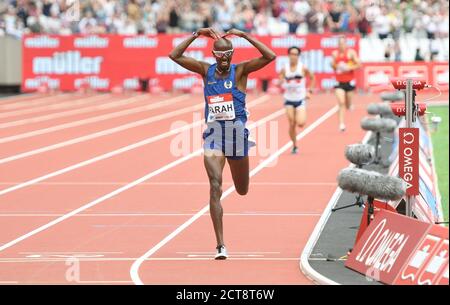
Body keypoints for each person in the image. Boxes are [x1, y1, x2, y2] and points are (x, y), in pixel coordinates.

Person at [169, 27, 276, 259]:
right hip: (214, 135)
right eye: (220, 56)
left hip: (237, 136)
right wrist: (196, 34)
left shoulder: (240, 72)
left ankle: (222, 239)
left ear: (233, 55)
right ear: (214, 56)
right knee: (215, 185)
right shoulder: (205, 71)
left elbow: (270, 56)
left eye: (228, 55)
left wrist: (245, 36)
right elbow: (174, 56)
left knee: (242, 190)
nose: (225, 60)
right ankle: (220, 245)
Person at [279, 46, 315, 154]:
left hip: (300, 99)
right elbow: (280, 78)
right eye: (291, 54)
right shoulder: (285, 68)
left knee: (301, 123)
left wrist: (310, 91)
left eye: (295, 54)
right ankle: (294, 145)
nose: (293, 56)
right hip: (289, 99)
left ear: (298, 56)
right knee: (292, 123)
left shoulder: (302, 68)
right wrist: (281, 81)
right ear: (288, 55)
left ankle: (295, 143)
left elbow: (312, 77)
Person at [331, 35, 360, 132]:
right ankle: (341, 124)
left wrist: (349, 67)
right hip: (339, 82)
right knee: (341, 103)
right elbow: (333, 66)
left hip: (349, 82)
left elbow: (359, 64)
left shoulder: (351, 53)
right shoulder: (335, 54)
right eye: (339, 44)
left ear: (346, 44)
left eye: (343, 43)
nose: (341, 46)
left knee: (347, 104)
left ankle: (349, 104)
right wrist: (336, 66)